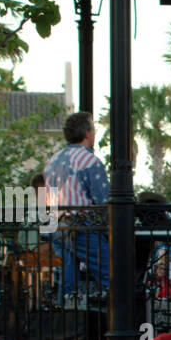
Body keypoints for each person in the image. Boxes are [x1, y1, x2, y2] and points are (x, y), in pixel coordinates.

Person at [43, 111, 110, 295]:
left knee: (67, 282)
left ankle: (67, 319)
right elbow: (103, 202)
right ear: (87, 133)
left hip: (57, 226)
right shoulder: (89, 161)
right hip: (81, 227)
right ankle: (117, 321)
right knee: (113, 274)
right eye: (94, 129)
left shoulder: (52, 161)